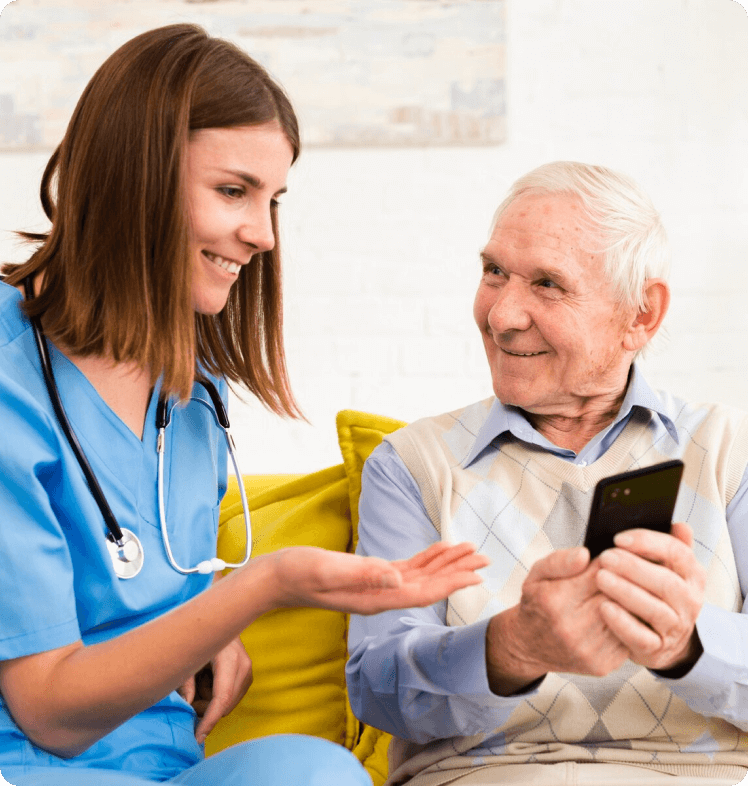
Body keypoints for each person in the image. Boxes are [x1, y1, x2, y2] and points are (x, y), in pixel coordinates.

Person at [0, 24, 489, 786]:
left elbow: (164, 595)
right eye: (233, 191)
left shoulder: (194, 398)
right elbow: (48, 709)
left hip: (166, 764)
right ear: (136, 178)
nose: (262, 234)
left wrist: (201, 630)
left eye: (273, 200)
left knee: (321, 772)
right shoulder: (9, 377)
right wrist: (259, 590)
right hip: (28, 763)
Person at [346, 161, 748, 786]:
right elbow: (376, 689)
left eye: (548, 285)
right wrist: (510, 648)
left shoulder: (730, 452)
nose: (502, 316)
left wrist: (686, 644)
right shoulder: (412, 465)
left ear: (640, 315)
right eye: (494, 273)